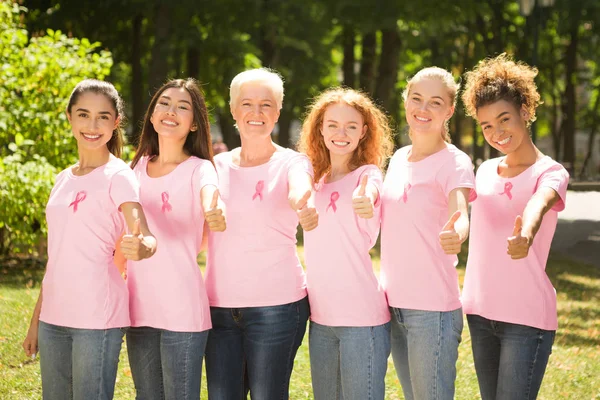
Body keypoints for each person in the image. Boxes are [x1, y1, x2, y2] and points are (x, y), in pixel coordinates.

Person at [22, 79, 157, 400]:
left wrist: (141, 245)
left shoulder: (119, 175)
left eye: (102, 117)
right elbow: (58, 257)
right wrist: (35, 321)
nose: (92, 125)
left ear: (116, 122)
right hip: (54, 318)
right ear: (69, 116)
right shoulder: (62, 178)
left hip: (97, 318)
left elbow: (142, 231)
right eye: (83, 115)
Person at [203, 68, 317, 400]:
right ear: (234, 110)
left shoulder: (292, 162)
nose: (256, 113)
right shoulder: (213, 165)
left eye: (266, 104)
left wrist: (302, 202)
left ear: (278, 111)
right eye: (247, 104)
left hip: (277, 308)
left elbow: (300, 188)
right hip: (219, 308)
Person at [461, 54, 569, 400]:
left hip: (526, 318)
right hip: (479, 312)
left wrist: (526, 232)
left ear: (525, 111)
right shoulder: (484, 171)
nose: (497, 132)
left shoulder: (550, 172)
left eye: (504, 119)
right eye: (487, 125)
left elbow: (539, 204)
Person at [124, 78, 226, 400]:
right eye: (164, 104)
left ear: (194, 124)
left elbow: (211, 194)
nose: (171, 111)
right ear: (152, 117)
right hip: (138, 308)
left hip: (183, 310)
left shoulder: (200, 169)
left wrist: (214, 208)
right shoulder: (135, 168)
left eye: (183, 107)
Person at [380, 67, 476, 400]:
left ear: (449, 110)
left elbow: (460, 213)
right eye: (417, 98)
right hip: (392, 305)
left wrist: (458, 234)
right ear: (405, 100)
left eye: (435, 102)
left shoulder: (454, 161)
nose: (423, 109)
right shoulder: (396, 159)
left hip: (432, 310)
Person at [298, 87, 394, 399]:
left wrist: (366, 200)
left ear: (364, 132)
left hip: (362, 319)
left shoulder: (368, 175)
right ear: (320, 128)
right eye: (333, 125)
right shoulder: (314, 182)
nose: (342, 133)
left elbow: (372, 192)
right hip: (321, 319)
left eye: (351, 126)